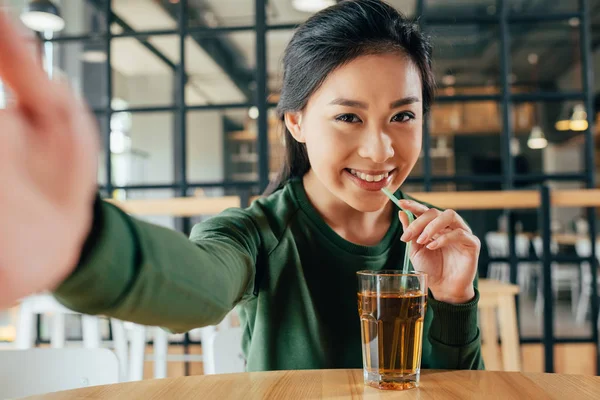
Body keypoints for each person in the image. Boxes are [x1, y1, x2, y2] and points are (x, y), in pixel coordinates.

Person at [0, 0, 483, 371]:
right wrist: (82, 241)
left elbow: (459, 392)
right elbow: (201, 284)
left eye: (403, 115)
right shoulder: (259, 233)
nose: (380, 151)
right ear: (296, 121)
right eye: (348, 117)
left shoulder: (435, 240)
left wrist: (455, 300)